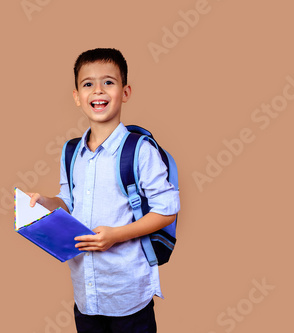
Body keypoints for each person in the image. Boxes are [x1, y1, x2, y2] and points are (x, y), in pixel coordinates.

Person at [28, 48, 180, 333]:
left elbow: (167, 210)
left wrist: (115, 236)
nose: (98, 90)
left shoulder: (139, 150)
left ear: (125, 92)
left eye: (108, 82)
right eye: (88, 84)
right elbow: (69, 204)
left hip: (128, 294)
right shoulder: (71, 151)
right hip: (86, 294)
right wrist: (46, 203)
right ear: (76, 96)